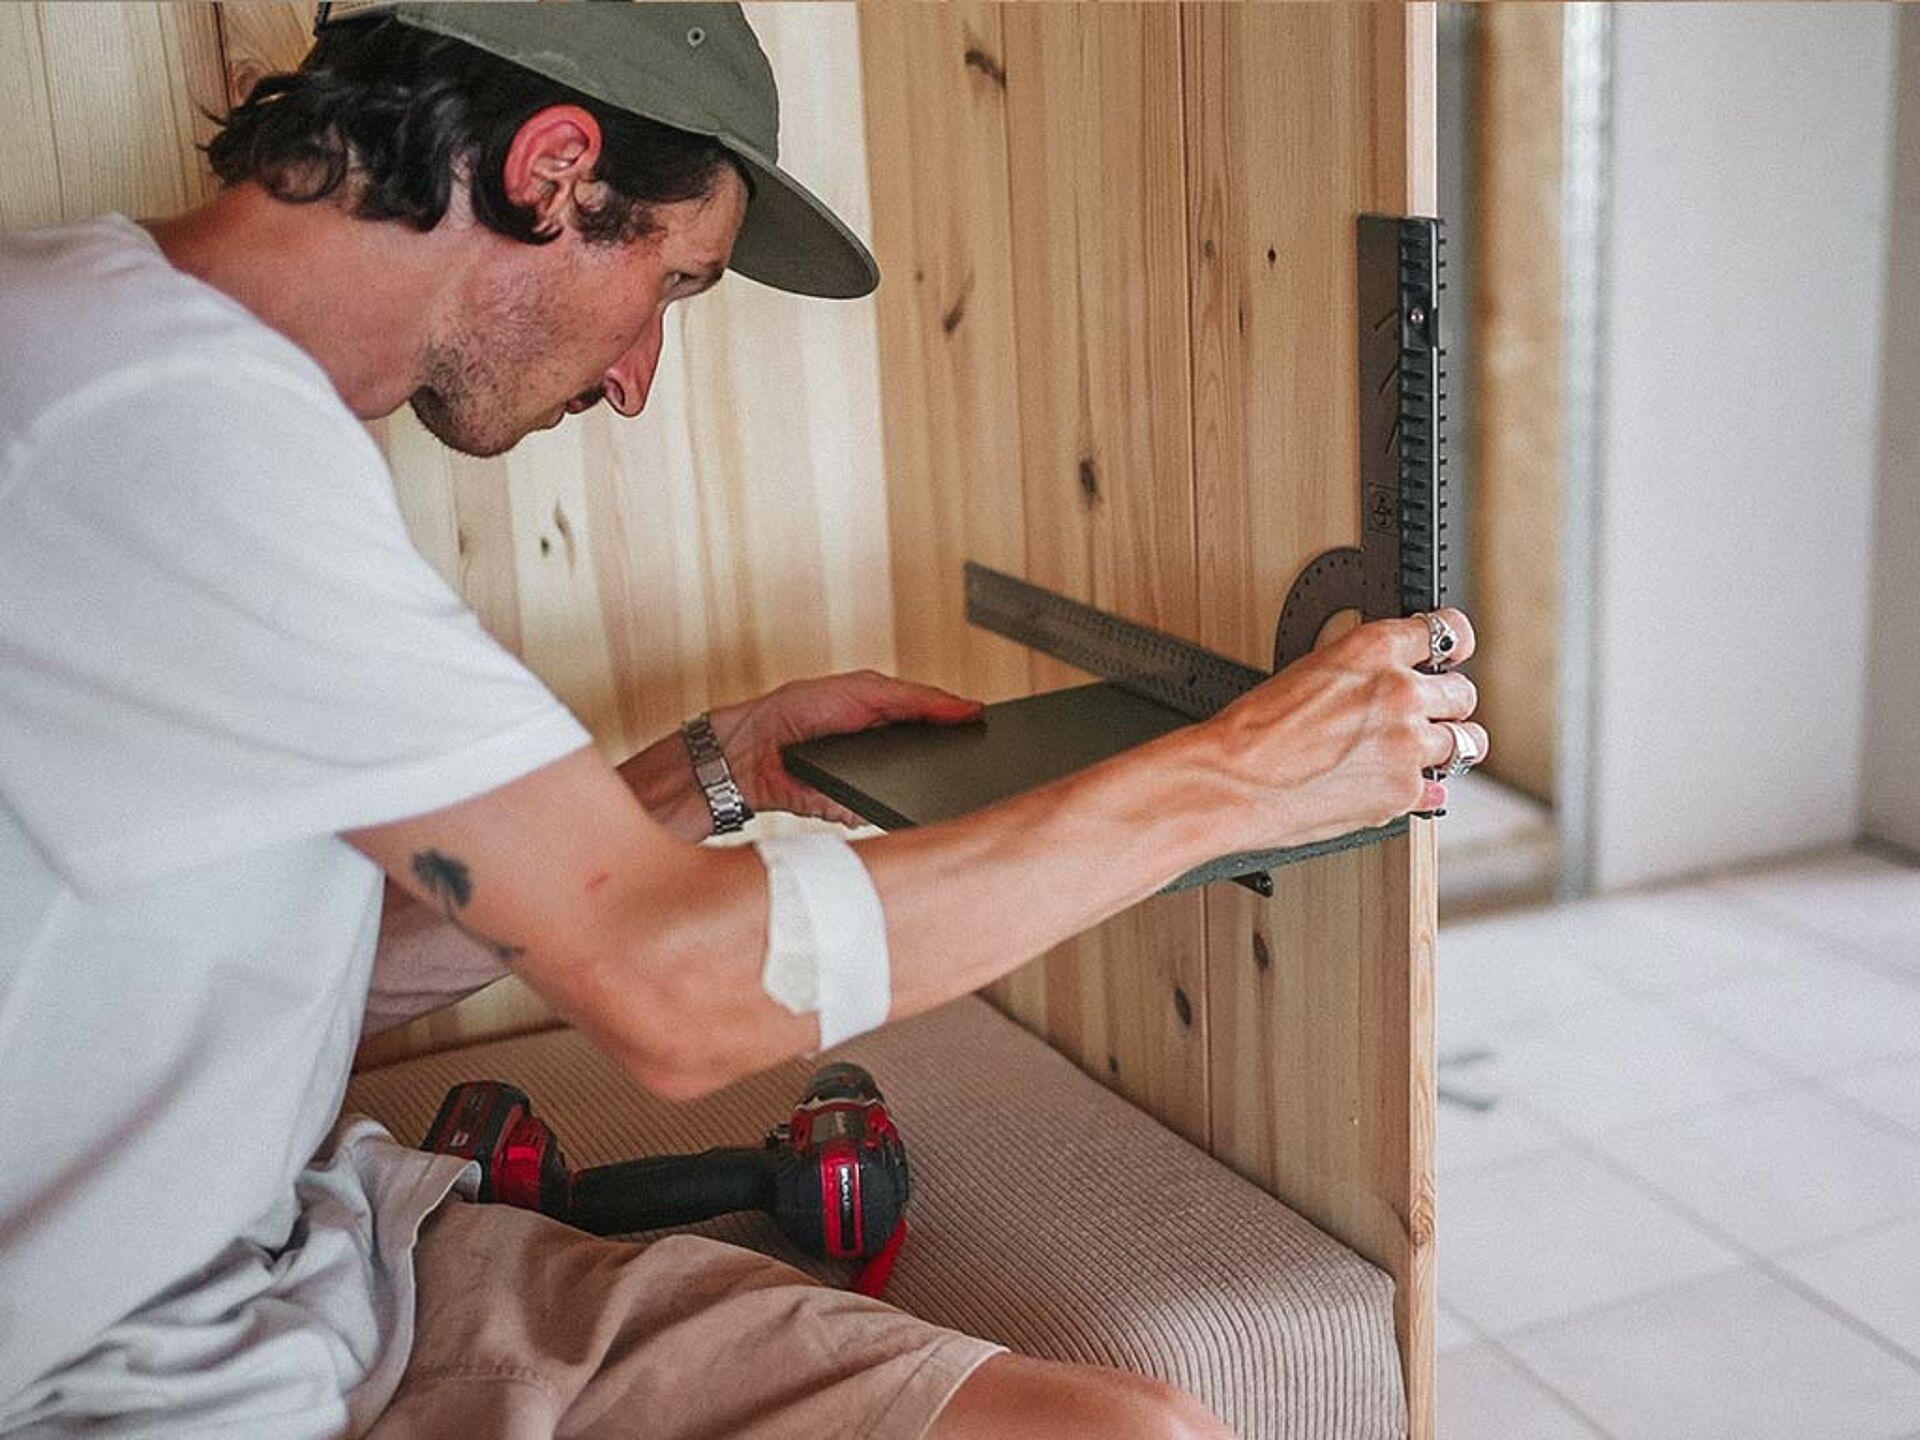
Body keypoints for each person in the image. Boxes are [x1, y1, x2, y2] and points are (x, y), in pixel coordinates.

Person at [0, 4, 1486, 1438]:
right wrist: (1247, 775)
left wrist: (713, 776)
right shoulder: (160, 431)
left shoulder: (143, 365)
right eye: (675, 285)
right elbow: (679, 998)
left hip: (317, 1276)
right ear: (552, 169)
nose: (640, 378)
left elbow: (312, 984)